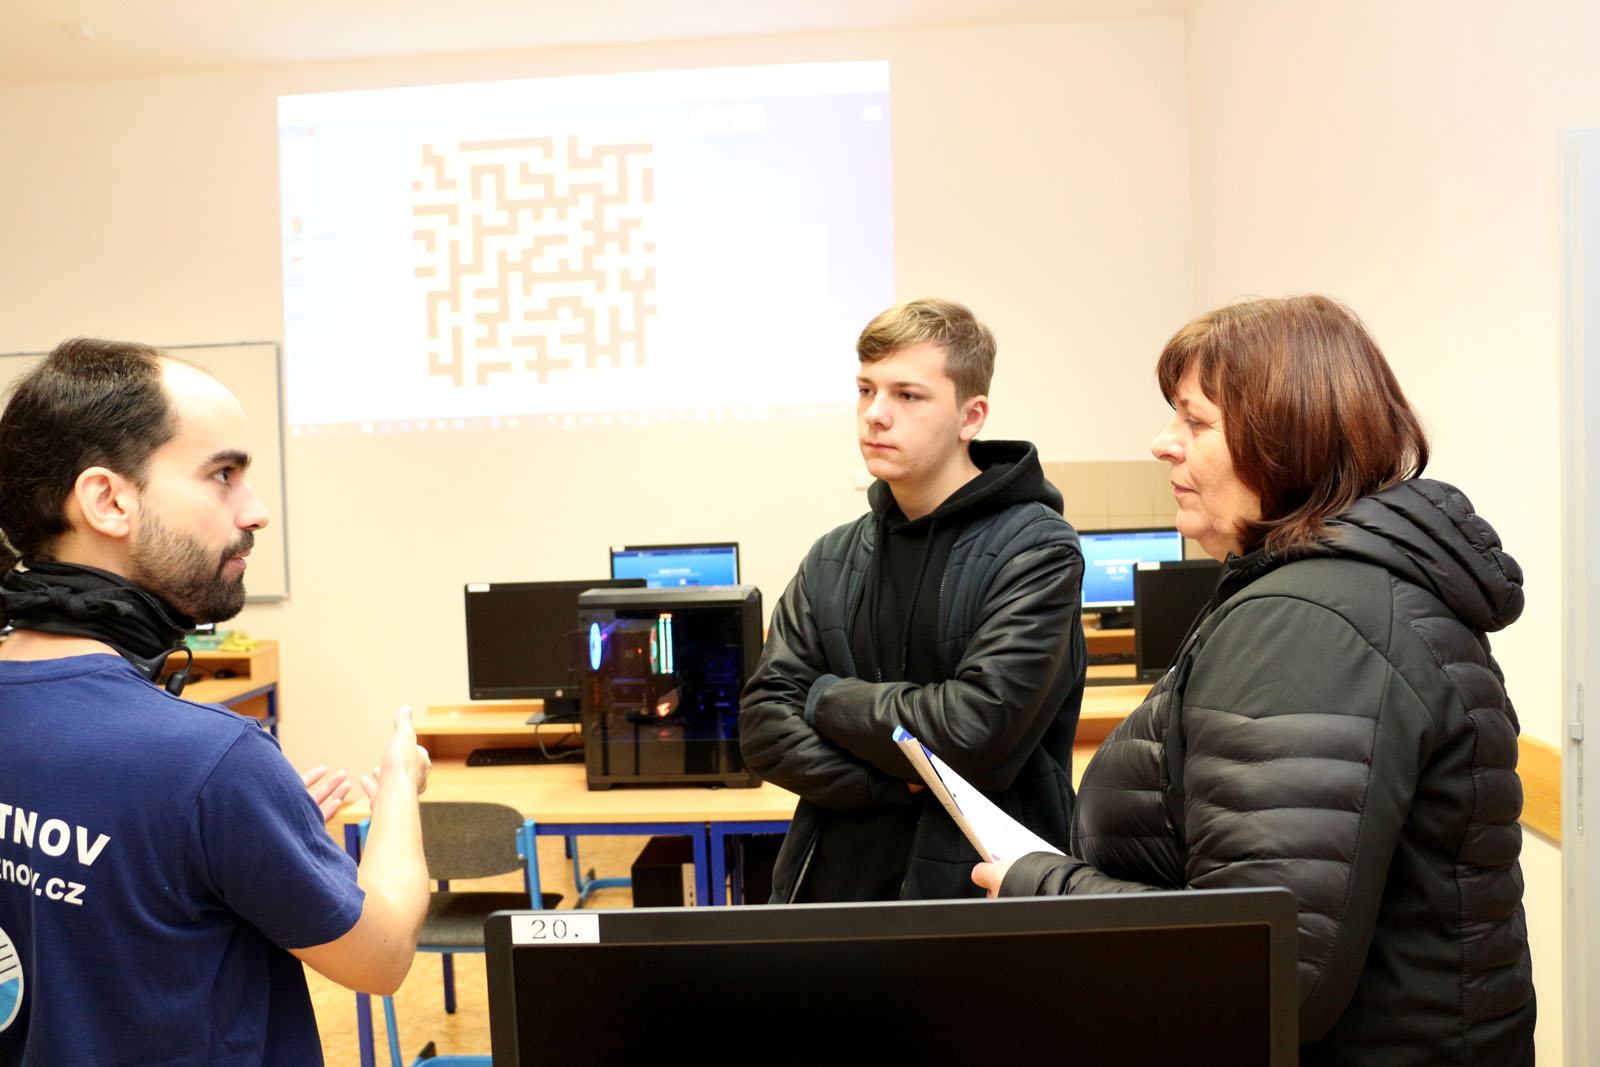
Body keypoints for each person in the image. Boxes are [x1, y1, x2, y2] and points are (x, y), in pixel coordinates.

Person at [973, 295, 1534, 1063]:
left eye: (1195, 421)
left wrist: (1038, 884)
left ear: (1287, 440)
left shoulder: (1311, 621)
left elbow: (1265, 965)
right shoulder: (1338, 593)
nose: (1162, 443)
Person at [0, 339, 431, 1064]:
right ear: (108, 500)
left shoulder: (201, 780)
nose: (255, 512)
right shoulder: (211, 761)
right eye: (223, 475)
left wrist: (225, 839)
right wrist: (397, 794)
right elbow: (381, 957)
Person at [740, 297, 1086, 902]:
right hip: (833, 892)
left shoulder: (1037, 549)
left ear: (971, 417)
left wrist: (825, 698)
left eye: (907, 395)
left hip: (977, 897)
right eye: (866, 390)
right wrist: (889, 783)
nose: (875, 415)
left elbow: (976, 732)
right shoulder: (833, 556)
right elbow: (764, 727)